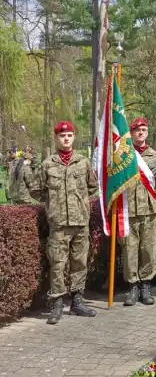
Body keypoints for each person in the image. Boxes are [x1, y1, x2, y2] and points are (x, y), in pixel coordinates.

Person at [29, 121, 98, 324]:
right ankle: (57, 304)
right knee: (57, 264)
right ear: (56, 138)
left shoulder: (83, 162)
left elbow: (93, 186)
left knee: (79, 262)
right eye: (62, 135)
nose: (66, 138)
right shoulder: (48, 164)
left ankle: (77, 301)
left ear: (74, 137)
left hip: (80, 222)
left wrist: (79, 203)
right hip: (58, 224)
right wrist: (52, 203)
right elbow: (36, 189)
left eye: (69, 135)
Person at [121, 118, 156, 307]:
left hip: (149, 211)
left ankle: (146, 285)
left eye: (144, 130)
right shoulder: (123, 156)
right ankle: (132, 286)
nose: (141, 132)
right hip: (128, 211)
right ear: (131, 133)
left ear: (147, 133)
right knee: (129, 250)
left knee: (148, 249)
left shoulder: (155, 157)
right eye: (137, 130)